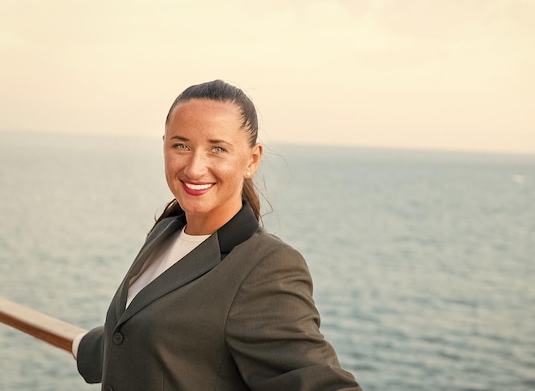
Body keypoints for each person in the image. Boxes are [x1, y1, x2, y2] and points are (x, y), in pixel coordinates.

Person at [72, 80, 362, 391]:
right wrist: (82, 347)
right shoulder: (168, 229)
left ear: (251, 160)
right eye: (181, 145)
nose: (195, 168)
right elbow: (150, 330)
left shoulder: (265, 267)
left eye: (217, 149)